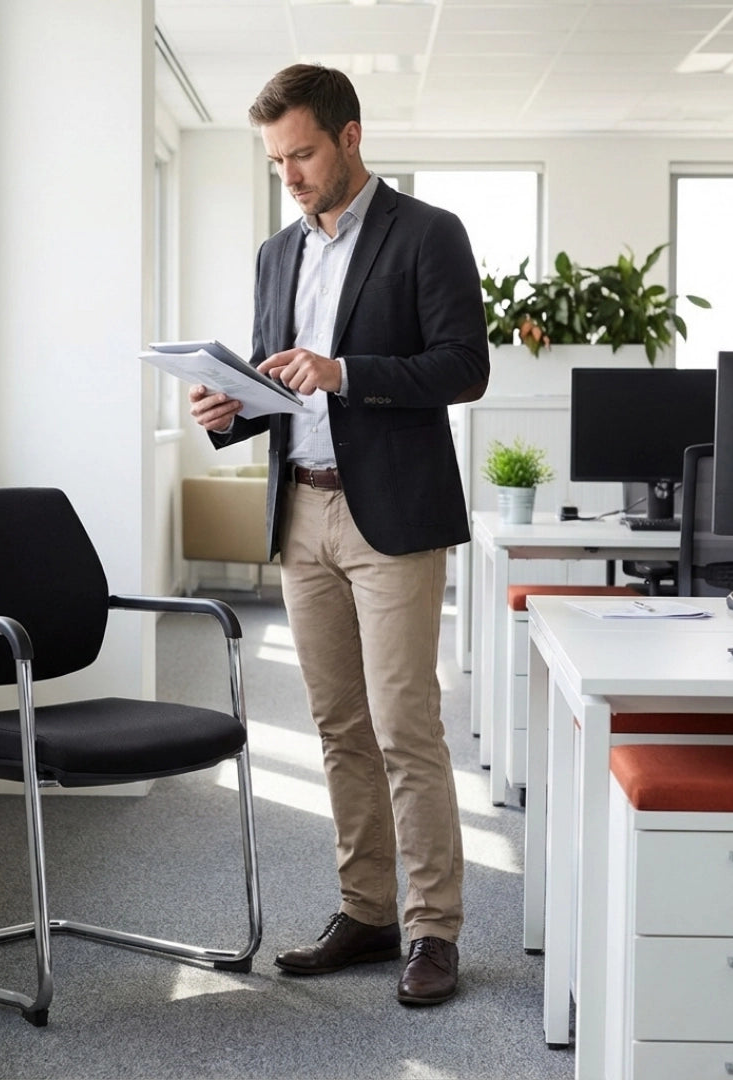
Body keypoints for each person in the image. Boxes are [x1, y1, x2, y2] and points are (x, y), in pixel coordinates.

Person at [188, 63, 489, 1006]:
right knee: (337, 727)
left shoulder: (428, 234)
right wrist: (226, 409)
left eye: (304, 153)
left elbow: (463, 366)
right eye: (277, 159)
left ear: (351, 138)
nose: (291, 174)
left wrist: (346, 370)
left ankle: (432, 930)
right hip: (301, 510)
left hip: (390, 515)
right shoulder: (278, 253)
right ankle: (367, 911)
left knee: (406, 726)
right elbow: (282, 388)